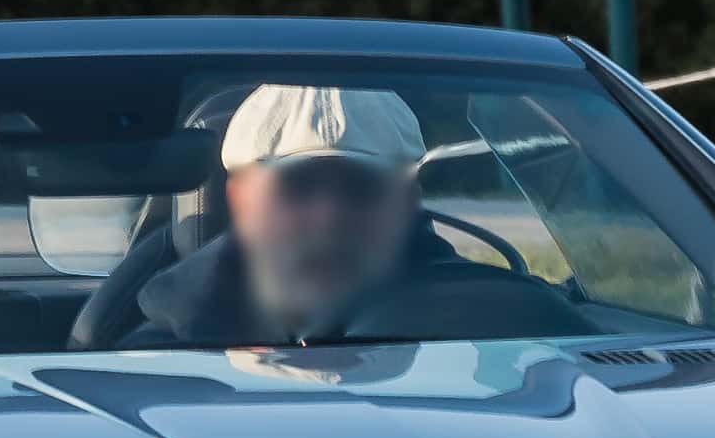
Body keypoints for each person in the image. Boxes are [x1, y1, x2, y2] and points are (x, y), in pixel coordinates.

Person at [116, 84, 582, 350]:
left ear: (407, 200)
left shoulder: (522, 334)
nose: (328, 216)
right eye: (296, 187)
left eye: (361, 187)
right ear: (239, 197)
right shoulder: (156, 365)